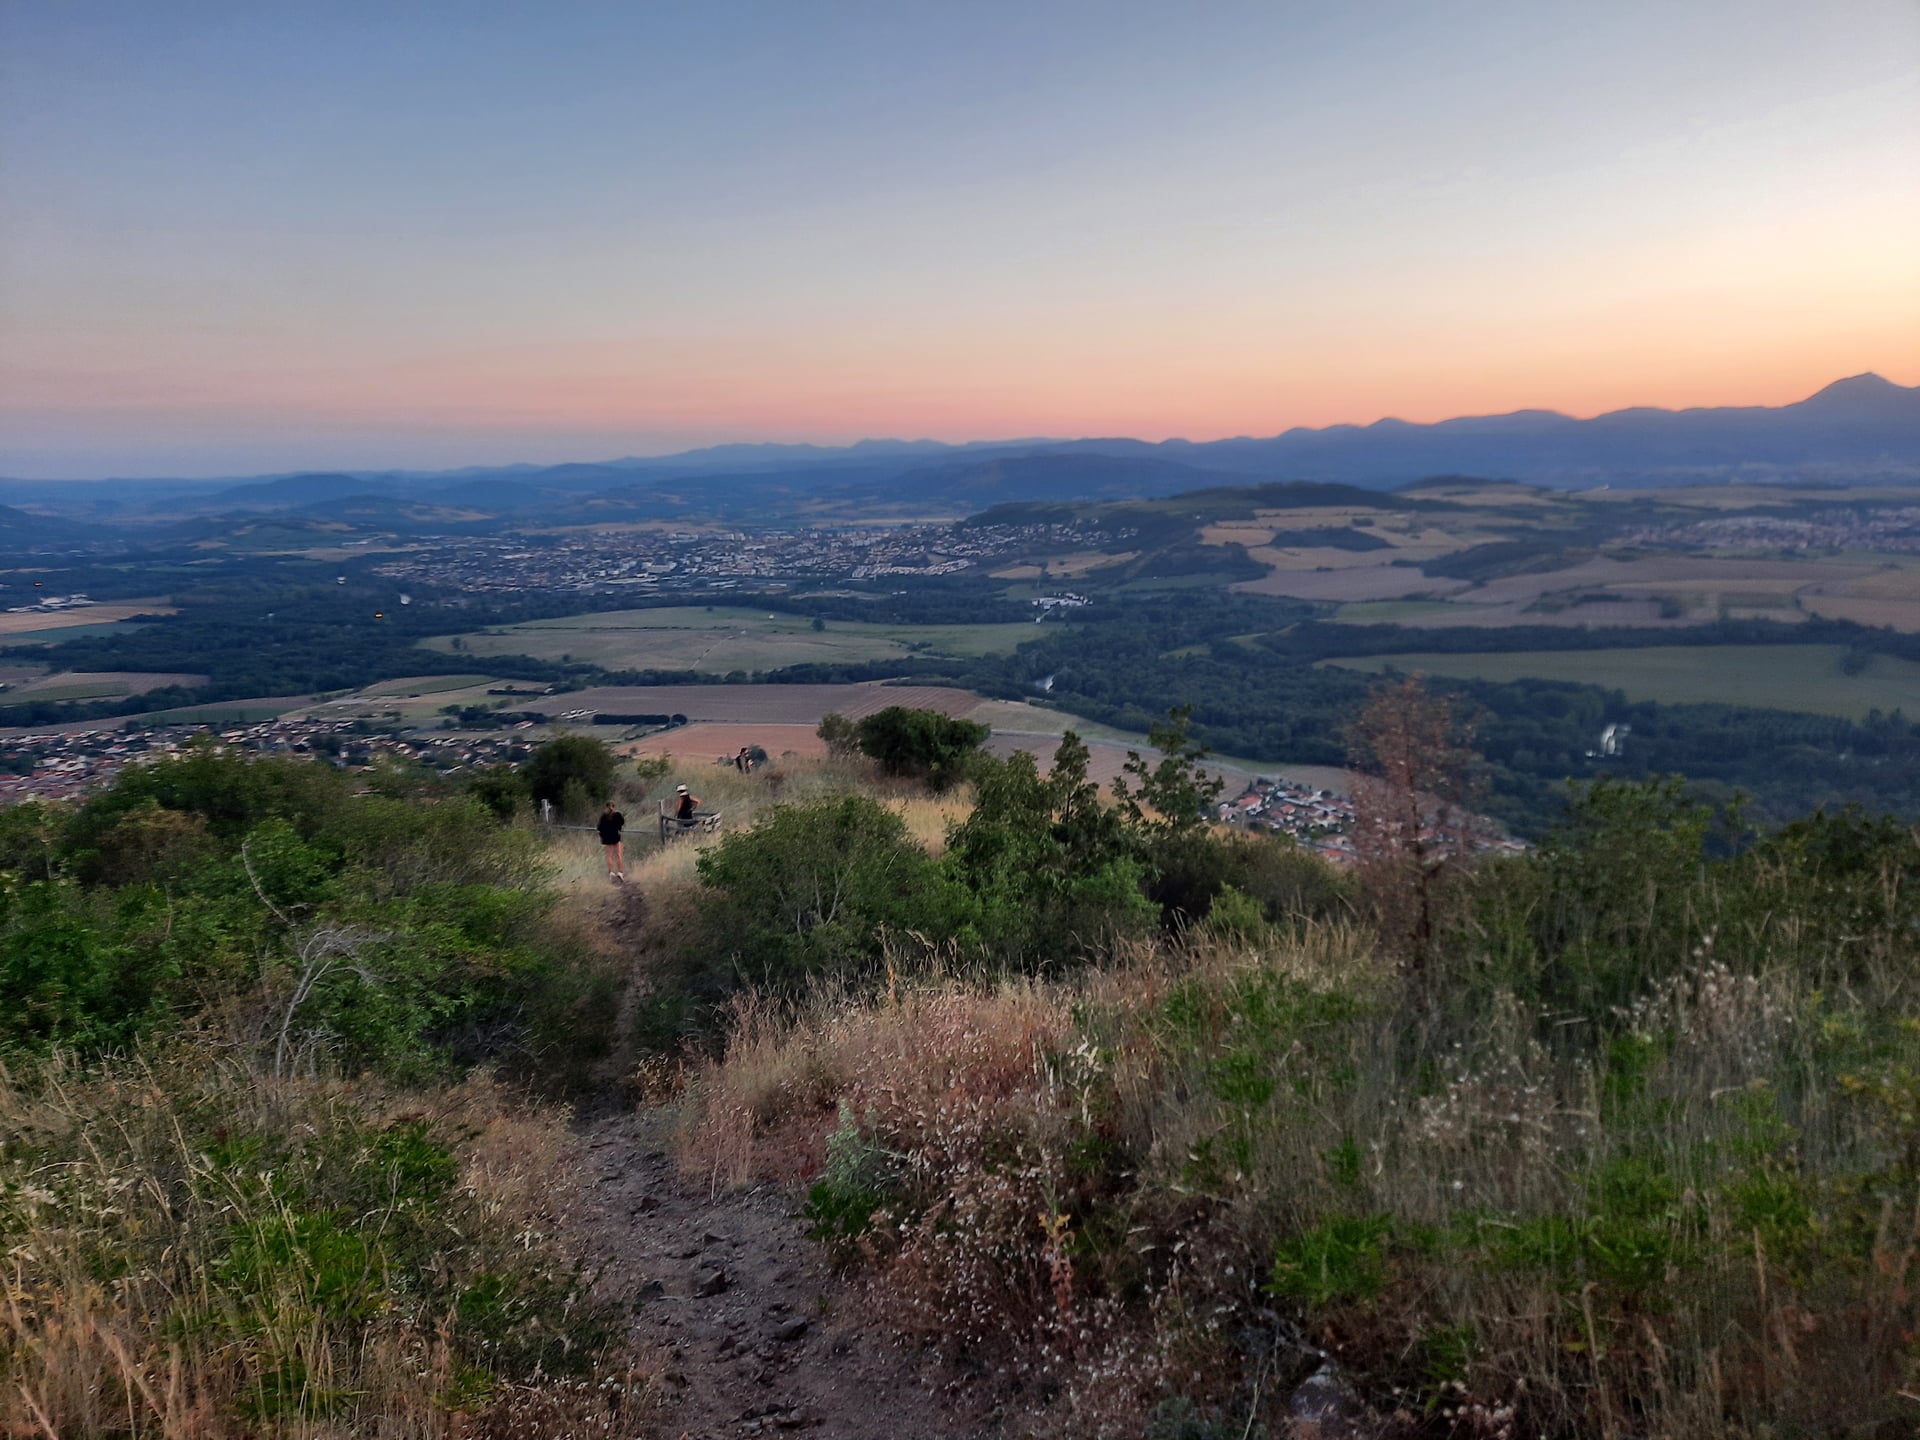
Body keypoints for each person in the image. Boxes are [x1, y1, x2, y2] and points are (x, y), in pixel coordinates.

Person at [597, 800, 625, 881]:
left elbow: (599, 828)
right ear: (614, 806)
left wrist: (602, 835)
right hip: (616, 836)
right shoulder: (617, 814)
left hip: (606, 838)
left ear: (606, 807)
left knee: (609, 856)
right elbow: (622, 823)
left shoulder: (604, 816)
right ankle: (620, 872)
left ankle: (611, 872)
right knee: (619, 855)